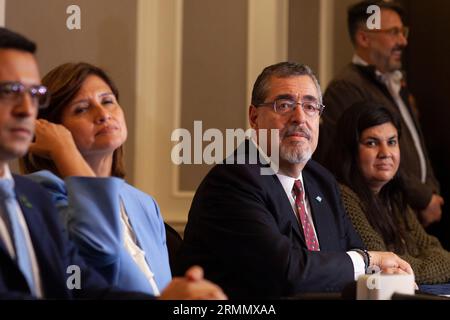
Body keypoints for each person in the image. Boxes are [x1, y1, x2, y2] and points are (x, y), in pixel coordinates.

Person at [0, 26, 226, 300]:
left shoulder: (143, 203)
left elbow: (99, 291)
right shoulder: (43, 192)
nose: (103, 115)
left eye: (108, 101)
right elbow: (98, 253)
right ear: (50, 126)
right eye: (82, 109)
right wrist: (65, 149)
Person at [174, 61, 413, 299]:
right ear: (254, 117)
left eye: (310, 106)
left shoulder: (322, 181)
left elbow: (351, 258)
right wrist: (370, 260)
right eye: (284, 105)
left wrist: (383, 273)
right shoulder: (233, 180)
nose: (299, 117)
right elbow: (287, 272)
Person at [315, 0, 443, 228]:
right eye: (394, 32)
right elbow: (361, 156)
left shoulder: (394, 83)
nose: (403, 41)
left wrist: (432, 190)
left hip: (412, 212)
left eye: (403, 32)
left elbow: (416, 143)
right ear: (364, 38)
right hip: (385, 215)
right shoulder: (345, 87)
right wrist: (423, 198)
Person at [327, 101, 450, 296]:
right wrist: (415, 266)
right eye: (372, 143)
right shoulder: (344, 197)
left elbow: (441, 255)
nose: (385, 153)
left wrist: (409, 268)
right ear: (350, 149)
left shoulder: (393, 197)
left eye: (392, 142)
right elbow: (384, 265)